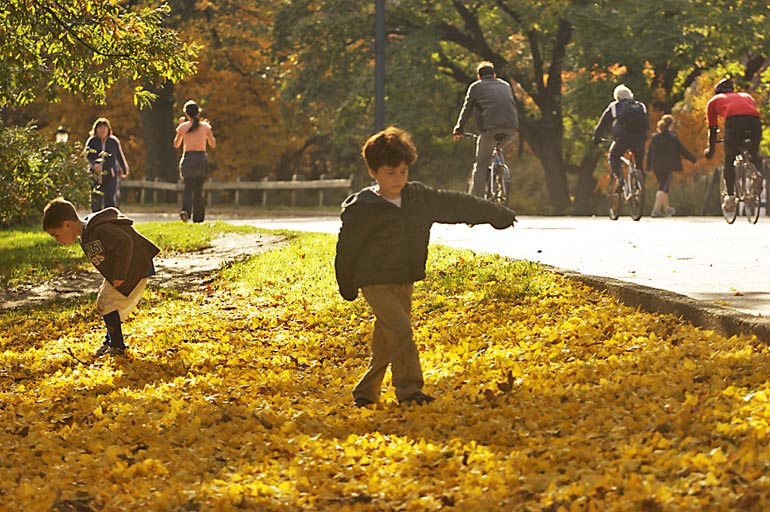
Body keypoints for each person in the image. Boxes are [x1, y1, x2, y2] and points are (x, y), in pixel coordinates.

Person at [335, 126, 517, 408]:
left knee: (388, 337)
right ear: (373, 172)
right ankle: (409, 391)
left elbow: (455, 204)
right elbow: (347, 247)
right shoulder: (364, 207)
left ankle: (365, 392)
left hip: (404, 278)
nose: (397, 179)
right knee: (402, 332)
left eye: (403, 172)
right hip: (375, 281)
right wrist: (345, 282)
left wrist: (495, 213)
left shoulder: (417, 198)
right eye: (390, 173)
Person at [42, 198, 160, 357]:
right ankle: (111, 340)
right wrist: (109, 279)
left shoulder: (98, 230)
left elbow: (125, 242)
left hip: (135, 265)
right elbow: (108, 259)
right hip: (125, 268)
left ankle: (117, 347)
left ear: (67, 225)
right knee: (106, 302)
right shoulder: (85, 237)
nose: (58, 240)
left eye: (56, 235)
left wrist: (119, 275)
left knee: (106, 303)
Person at [452, 61, 519, 198]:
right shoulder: (505, 85)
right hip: (512, 129)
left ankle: (478, 200)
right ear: (494, 75)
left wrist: (459, 129)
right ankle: (499, 174)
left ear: (479, 77)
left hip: (490, 130)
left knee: (481, 164)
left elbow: (467, 109)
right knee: (497, 148)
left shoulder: (476, 87)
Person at [703, 76, 763, 212]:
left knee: (729, 159)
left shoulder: (714, 101)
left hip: (734, 123)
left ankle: (730, 198)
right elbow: (751, 111)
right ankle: (757, 173)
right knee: (754, 152)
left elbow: (712, 129)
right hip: (754, 122)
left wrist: (710, 150)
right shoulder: (746, 96)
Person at [592, 84, 649, 189]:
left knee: (613, 156)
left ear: (617, 97)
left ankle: (620, 178)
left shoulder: (614, 106)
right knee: (639, 164)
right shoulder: (641, 106)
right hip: (640, 138)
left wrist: (596, 137)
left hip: (623, 138)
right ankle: (640, 178)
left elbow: (603, 123)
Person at [174, 100, 216, 223]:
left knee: (188, 188)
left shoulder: (182, 127)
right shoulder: (206, 127)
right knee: (199, 190)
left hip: (188, 158)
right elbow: (212, 144)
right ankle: (198, 217)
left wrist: (180, 127)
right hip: (201, 158)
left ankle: (186, 211)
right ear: (198, 112)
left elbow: (176, 144)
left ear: (186, 114)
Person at [646, 114, 697, 217]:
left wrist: (648, 166)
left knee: (664, 187)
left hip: (656, 166)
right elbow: (682, 150)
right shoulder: (672, 138)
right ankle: (655, 210)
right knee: (663, 187)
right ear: (670, 125)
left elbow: (649, 152)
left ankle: (667, 208)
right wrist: (693, 159)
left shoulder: (654, 137)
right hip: (668, 166)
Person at [85, 118, 129, 212]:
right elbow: (87, 156)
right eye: (100, 128)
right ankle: (96, 222)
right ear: (96, 129)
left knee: (110, 200)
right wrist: (94, 165)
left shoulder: (113, 142)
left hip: (110, 175)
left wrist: (125, 169)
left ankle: (110, 222)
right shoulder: (92, 141)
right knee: (96, 201)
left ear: (109, 129)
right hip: (95, 176)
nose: (102, 130)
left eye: (105, 128)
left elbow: (119, 156)